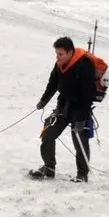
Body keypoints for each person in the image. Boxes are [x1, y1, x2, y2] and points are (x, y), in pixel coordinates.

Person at [28, 36, 97, 182]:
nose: (57, 57)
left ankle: (82, 175)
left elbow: (88, 94)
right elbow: (52, 84)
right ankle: (49, 168)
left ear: (70, 52)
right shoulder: (59, 65)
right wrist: (43, 100)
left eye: (60, 54)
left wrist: (82, 118)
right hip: (63, 107)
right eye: (56, 54)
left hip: (80, 110)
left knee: (80, 142)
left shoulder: (84, 66)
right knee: (47, 135)